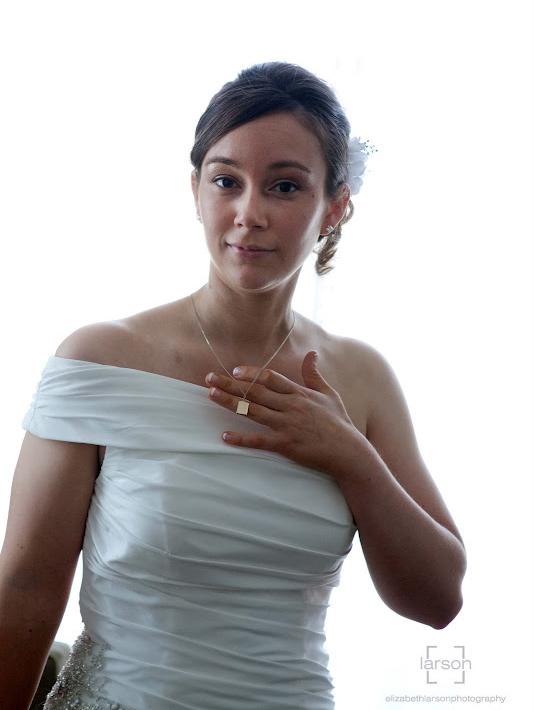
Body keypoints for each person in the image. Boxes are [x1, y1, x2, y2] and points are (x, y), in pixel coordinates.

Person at [0, 61, 467, 710]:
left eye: (284, 186)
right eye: (226, 181)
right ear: (195, 190)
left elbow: (439, 602)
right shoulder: (99, 361)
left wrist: (351, 458)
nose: (250, 214)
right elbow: (25, 588)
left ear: (334, 207)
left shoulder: (362, 378)